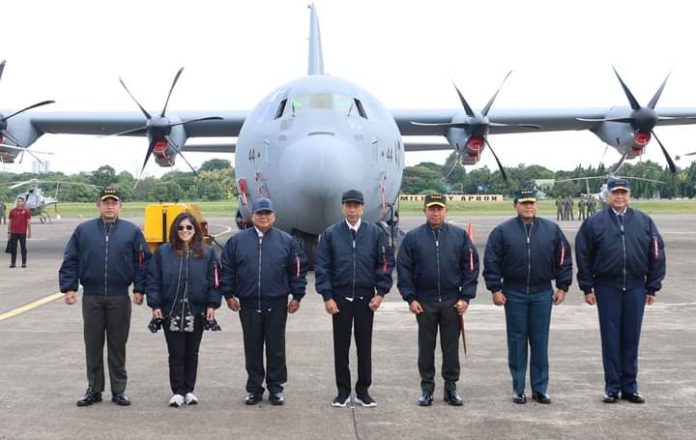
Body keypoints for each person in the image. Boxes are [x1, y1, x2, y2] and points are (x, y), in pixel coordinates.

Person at [575, 177, 666, 404]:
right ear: (608, 195)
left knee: (631, 338)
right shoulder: (594, 223)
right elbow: (583, 255)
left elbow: (656, 254)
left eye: (623, 193)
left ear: (629, 196)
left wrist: (652, 286)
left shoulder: (644, 222)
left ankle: (630, 387)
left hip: (636, 286)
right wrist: (587, 287)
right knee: (611, 337)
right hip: (607, 287)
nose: (619, 197)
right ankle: (612, 387)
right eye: (615, 193)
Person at [59, 187, 151, 407]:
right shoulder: (84, 230)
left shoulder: (132, 232)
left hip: (120, 296)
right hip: (92, 296)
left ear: (120, 206)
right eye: (106, 202)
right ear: (98, 205)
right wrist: (69, 287)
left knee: (117, 345)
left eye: (114, 202)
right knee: (93, 345)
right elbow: (71, 259)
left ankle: (119, 390)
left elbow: (143, 262)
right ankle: (94, 389)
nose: (110, 206)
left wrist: (140, 288)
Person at [483, 184, 572, 404]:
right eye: (524, 203)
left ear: (537, 205)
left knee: (540, 341)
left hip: (543, 293)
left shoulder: (552, 230)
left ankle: (540, 388)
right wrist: (495, 288)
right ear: (515, 206)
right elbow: (492, 262)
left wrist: (563, 286)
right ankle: (518, 387)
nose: (528, 207)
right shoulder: (502, 232)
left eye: (531, 203)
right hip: (514, 293)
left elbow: (564, 260)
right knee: (517, 341)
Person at [220, 197, 308, 406]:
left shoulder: (286, 241)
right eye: (260, 214)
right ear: (252, 216)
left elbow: (297, 269)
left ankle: (276, 388)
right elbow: (227, 269)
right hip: (248, 303)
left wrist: (297, 296)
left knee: (276, 347)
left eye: (267, 213)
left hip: (276, 302)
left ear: (274, 216)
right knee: (252, 347)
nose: (264, 217)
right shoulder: (237, 242)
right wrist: (229, 294)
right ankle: (254, 388)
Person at [397, 194, 479, 407]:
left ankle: (451, 388)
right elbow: (404, 270)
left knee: (450, 348)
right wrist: (410, 298)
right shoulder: (412, 238)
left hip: (452, 302)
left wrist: (465, 297)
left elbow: (470, 267)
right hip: (424, 303)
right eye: (431, 209)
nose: (435, 213)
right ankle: (427, 388)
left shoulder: (460, 236)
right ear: (424, 211)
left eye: (439, 209)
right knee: (426, 348)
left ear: (446, 211)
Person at [315, 189, 395, 408]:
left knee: (364, 346)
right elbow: (323, 267)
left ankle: (363, 391)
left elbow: (385, 263)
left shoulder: (375, 233)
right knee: (341, 347)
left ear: (362, 208)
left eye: (356, 206)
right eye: (348, 205)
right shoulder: (330, 234)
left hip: (365, 299)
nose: (352, 210)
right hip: (340, 299)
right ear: (342, 208)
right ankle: (342, 391)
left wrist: (380, 293)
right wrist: (327, 297)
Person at [146, 212, 222, 408]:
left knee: (192, 352)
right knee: (176, 352)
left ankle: (189, 389)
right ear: (175, 230)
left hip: (196, 310)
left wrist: (212, 304)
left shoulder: (207, 252)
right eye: (181, 228)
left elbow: (215, 281)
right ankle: (178, 391)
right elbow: (153, 279)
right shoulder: (163, 252)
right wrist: (155, 304)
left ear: (195, 230)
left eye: (189, 227)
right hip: (171, 309)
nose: (185, 231)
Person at [7, 196, 32, 268]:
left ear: (23, 202)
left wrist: (29, 232)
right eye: (17, 201)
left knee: (23, 248)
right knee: (13, 248)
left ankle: (24, 263)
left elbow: (29, 222)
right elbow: (10, 222)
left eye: (20, 201)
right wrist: (9, 232)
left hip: (22, 232)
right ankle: (13, 263)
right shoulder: (12, 211)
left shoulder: (26, 211)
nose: (18, 202)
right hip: (14, 232)